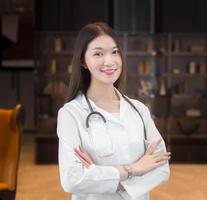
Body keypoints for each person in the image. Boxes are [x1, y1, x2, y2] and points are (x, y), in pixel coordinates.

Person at [56, 21, 171, 200]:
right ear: (83, 61)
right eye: (98, 53)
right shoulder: (71, 114)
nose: (109, 61)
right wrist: (134, 169)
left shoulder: (139, 110)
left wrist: (103, 177)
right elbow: (71, 179)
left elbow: (161, 167)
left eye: (115, 52)